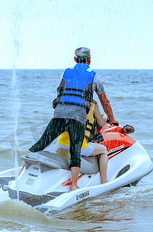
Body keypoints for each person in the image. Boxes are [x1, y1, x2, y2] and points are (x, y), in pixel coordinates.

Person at [26, 47, 118, 191]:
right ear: (90, 60)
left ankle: (21, 173)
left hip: (59, 114)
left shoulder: (66, 72)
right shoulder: (94, 76)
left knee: (40, 144)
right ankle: (74, 186)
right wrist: (112, 120)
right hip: (77, 117)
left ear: (75, 59)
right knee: (76, 149)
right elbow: (105, 101)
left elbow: (60, 91)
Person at [56, 100, 109, 184]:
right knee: (103, 150)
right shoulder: (92, 105)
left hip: (61, 143)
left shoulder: (69, 101)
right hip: (78, 146)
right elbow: (101, 122)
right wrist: (105, 116)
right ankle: (104, 181)